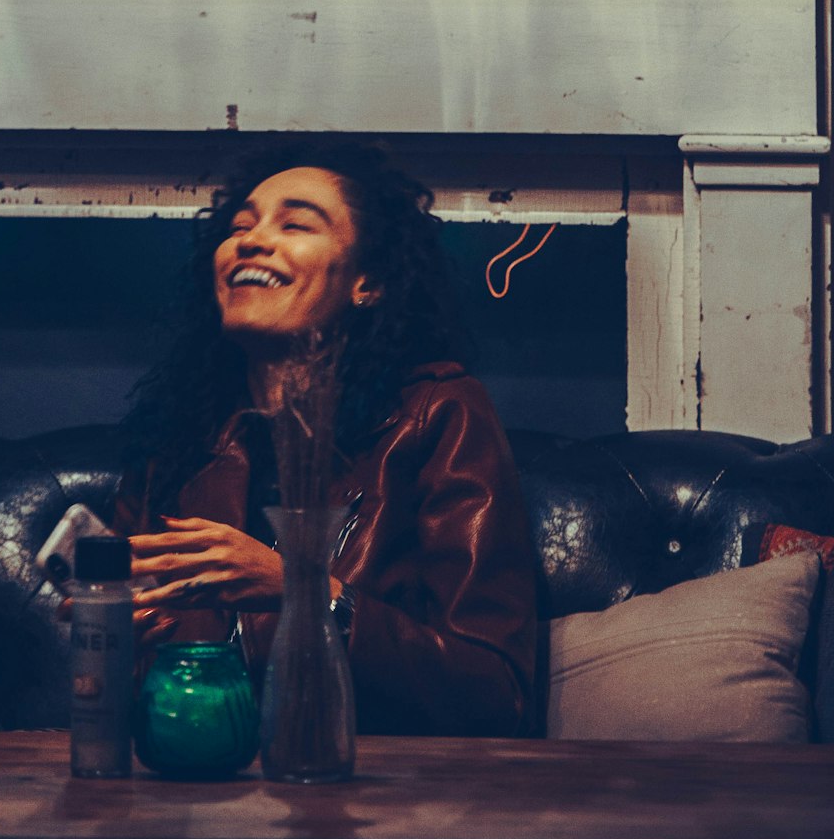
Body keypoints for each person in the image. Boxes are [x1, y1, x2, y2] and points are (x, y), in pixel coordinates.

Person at [115, 147, 538, 737]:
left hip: (378, 799)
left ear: (369, 282)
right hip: (196, 792)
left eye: (295, 224)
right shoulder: (175, 444)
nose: (252, 240)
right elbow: (135, 697)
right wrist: (109, 638)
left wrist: (304, 594)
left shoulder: (439, 415)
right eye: (241, 226)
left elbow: (493, 692)